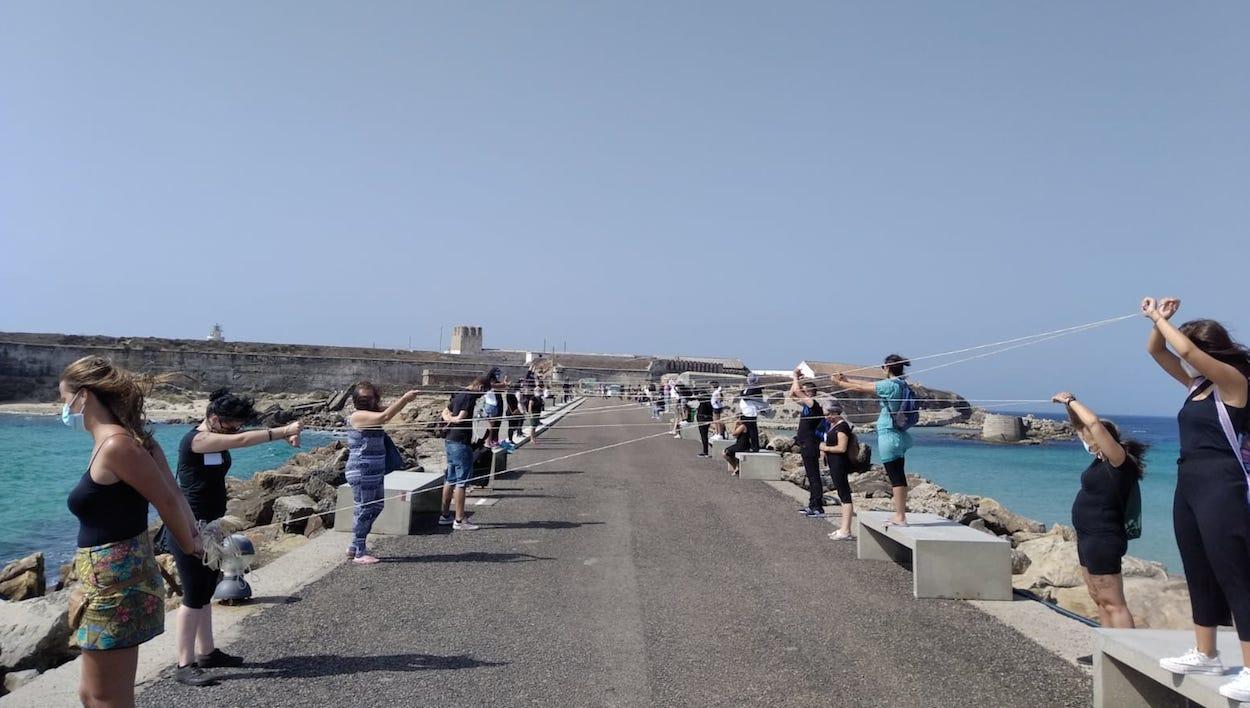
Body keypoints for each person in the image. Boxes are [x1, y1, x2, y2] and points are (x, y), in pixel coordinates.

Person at [59, 356, 202, 707]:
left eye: (63, 399)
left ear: (84, 397)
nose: (62, 409)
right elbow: (172, 490)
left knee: (109, 697)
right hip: (103, 587)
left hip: (119, 589)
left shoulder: (118, 445)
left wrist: (191, 545)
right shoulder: (120, 442)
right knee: (91, 694)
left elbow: (168, 499)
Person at [1143, 298, 1250, 700]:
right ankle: (1206, 653)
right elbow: (1158, 350)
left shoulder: (1234, 382)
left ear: (1208, 350)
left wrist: (1156, 316)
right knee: (1198, 569)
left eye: (1189, 347)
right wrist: (1161, 324)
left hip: (1223, 486)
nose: (1183, 356)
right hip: (1188, 484)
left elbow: (1185, 350)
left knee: (1235, 573)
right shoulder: (1197, 386)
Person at [171, 389, 301, 686]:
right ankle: (183, 664)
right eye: (232, 425)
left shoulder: (217, 436)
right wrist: (283, 431)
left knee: (205, 591)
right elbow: (241, 441)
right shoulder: (196, 440)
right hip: (189, 527)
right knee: (192, 596)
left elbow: (238, 437)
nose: (237, 431)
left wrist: (285, 436)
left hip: (212, 526)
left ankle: (207, 653)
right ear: (215, 419)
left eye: (239, 425)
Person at [1052, 391, 1145, 630]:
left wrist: (1071, 401)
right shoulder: (1099, 459)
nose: (1083, 434)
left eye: (1089, 433)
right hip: (1087, 537)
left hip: (1104, 538)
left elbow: (1092, 422)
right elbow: (1081, 425)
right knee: (1098, 598)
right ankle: (1105, 651)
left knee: (1114, 603)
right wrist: (1068, 409)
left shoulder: (1119, 461)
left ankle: (1127, 658)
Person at [345, 383, 418, 563]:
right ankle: (359, 552)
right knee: (364, 508)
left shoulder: (372, 413)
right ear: (356, 401)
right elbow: (385, 415)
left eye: (370, 398)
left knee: (376, 506)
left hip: (375, 471)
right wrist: (405, 398)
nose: (366, 401)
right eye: (362, 399)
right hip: (362, 471)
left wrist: (406, 401)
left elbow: (389, 411)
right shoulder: (358, 415)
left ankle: (354, 545)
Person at [837, 355, 914, 526]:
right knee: (898, 474)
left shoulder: (889, 385)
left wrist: (840, 383)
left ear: (887, 368)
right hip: (900, 435)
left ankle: (900, 516)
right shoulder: (902, 384)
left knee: (896, 477)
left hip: (889, 435)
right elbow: (865, 385)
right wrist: (847, 379)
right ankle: (900, 514)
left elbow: (860, 388)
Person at [440, 375, 489, 530]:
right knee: (462, 482)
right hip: (461, 442)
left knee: (450, 478)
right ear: (481, 388)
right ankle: (460, 520)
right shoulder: (470, 397)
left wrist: (450, 419)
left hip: (449, 440)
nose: (482, 396)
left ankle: (445, 515)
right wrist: (455, 420)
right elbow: (461, 418)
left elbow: (444, 411)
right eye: (483, 392)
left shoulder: (459, 393)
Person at [790, 370, 826, 518]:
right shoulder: (807, 405)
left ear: (809, 393)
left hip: (811, 444)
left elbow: (797, 391)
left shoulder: (813, 405)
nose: (802, 394)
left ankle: (817, 507)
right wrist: (796, 379)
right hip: (805, 444)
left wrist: (794, 377)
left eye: (805, 392)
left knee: (814, 476)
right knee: (811, 475)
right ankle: (812, 505)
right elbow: (793, 393)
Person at [820, 402, 856, 540]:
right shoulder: (833, 426)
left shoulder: (842, 427)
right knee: (842, 495)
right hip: (834, 463)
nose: (826, 417)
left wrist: (825, 448)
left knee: (845, 495)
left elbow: (841, 448)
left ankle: (846, 530)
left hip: (840, 463)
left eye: (828, 414)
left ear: (835, 413)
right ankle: (843, 528)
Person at [739, 374, 764, 452]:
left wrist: (741, 392)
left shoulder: (755, 388)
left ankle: (755, 447)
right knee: (746, 429)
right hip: (746, 411)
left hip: (750, 412)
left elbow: (746, 397)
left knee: (752, 430)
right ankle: (746, 445)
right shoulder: (750, 387)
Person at [694, 387, 714, 458]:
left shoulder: (704, 402)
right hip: (704, 419)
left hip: (703, 420)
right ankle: (705, 451)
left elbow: (696, 397)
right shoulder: (708, 401)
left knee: (704, 436)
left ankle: (705, 452)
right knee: (704, 436)